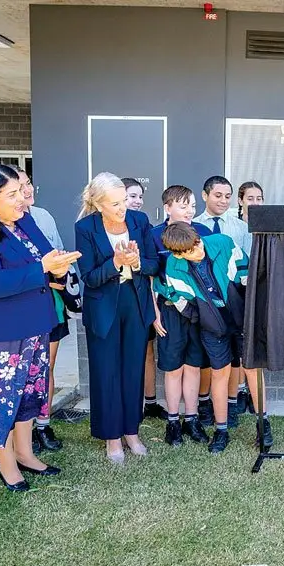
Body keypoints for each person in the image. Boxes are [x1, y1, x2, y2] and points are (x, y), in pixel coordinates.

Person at [0, 163, 80, 491]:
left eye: (22, 191)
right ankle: (6, 463)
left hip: (35, 324)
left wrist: (58, 270)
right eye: (12, 194)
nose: (22, 200)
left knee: (28, 394)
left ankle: (25, 453)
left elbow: (47, 257)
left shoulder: (24, 222)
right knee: (0, 402)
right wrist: (42, 269)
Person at [153, 222, 272, 453]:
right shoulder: (174, 266)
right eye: (189, 251)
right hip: (212, 328)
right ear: (178, 253)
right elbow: (180, 298)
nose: (197, 251)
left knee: (252, 369)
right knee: (220, 373)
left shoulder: (222, 243)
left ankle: (263, 424)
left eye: (196, 244)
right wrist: (202, 318)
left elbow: (246, 270)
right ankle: (221, 430)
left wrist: (250, 306)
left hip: (242, 318)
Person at [75, 172, 159, 464]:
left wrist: (137, 263)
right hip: (103, 308)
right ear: (98, 204)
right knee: (107, 372)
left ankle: (131, 432)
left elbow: (154, 263)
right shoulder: (85, 228)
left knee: (133, 370)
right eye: (114, 203)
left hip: (135, 304)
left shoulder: (140, 221)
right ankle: (112, 438)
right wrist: (115, 263)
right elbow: (89, 277)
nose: (123, 208)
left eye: (124, 200)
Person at [10, 165, 67, 454]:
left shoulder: (41, 216)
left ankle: (43, 424)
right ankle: (21, 429)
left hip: (51, 302)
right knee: (19, 372)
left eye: (28, 183)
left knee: (46, 367)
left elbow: (56, 253)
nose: (27, 190)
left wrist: (61, 273)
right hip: (21, 308)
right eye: (19, 187)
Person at [151, 185, 212, 446]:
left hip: (198, 310)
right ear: (168, 207)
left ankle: (192, 419)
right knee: (173, 368)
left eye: (192, 206)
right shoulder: (154, 236)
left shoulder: (204, 233)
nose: (189, 210)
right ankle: (173, 422)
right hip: (169, 310)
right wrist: (154, 313)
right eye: (183, 205)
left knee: (194, 366)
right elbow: (151, 277)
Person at [193, 176, 251, 425]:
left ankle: (231, 403)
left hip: (234, 301)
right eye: (218, 195)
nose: (224, 201)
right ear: (205, 195)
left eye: (228, 196)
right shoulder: (193, 225)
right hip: (205, 303)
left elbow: (247, 263)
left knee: (233, 357)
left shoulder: (239, 226)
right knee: (208, 356)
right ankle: (204, 404)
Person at [121, 176, 166, 421]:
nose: (137, 201)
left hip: (143, 296)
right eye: (132, 196)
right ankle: (129, 405)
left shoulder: (142, 224)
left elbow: (152, 263)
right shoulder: (96, 225)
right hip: (117, 300)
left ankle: (149, 402)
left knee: (147, 351)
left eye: (140, 196)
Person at [233, 181, 265, 415]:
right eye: (250, 198)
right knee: (239, 340)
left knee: (254, 340)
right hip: (237, 288)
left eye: (259, 198)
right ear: (241, 201)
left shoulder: (266, 227)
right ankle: (241, 390)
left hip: (260, 288)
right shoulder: (233, 227)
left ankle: (256, 395)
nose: (255, 202)